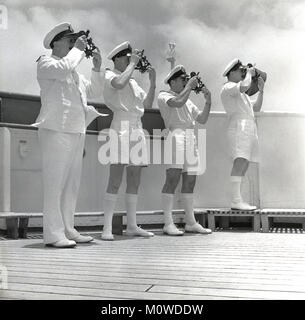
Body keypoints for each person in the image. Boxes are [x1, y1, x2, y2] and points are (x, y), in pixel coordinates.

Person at [33, 22, 107, 248]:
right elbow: (63, 67)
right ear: (55, 42)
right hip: (56, 129)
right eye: (70, 40)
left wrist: (96, 68)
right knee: (55, 184)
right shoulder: (46, 63)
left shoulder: (74, 72)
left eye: (74, 40)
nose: (73, 44)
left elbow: (94, 91)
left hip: (76, 130)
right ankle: (53, 234)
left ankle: (68, 229)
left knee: (71, 185)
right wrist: (79, 51)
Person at [101, 41, 156, 240]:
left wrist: (153, 82)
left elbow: (148, 104)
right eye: (127, 58)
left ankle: (132, 225)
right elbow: (118, 84)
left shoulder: (132, 81)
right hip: (121, 125)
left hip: (137, 127)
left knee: (134, 178)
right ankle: (107, 227)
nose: (130, 61)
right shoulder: (110, 74)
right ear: (117, 58)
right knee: (115, 179)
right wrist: (133, 64)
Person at [158, 65, 212, 236]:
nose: (185, 82)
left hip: (190, 137)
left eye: (186, 80)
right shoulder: (164, 95)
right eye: (183, 80)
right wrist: (190, 86)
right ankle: (168, 223)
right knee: (172, 179)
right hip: (176, 135)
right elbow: (177, 102)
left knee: (190, 181)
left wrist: (208, 100)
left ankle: (191, 222)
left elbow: (202, 119)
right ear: (172, 81)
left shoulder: (187, 98)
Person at [220, 58, 265, 210]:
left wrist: (261, 90)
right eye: (241, 70)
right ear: (231, 72)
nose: (243, 73)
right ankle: (235, 200)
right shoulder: (229, 86)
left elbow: (256, 107)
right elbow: (245, 85)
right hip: (239, 125)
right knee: (240, 161)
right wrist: (250, 74)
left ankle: (238, 199)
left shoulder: (242, 92)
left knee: (245, 162)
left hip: (248, 125)